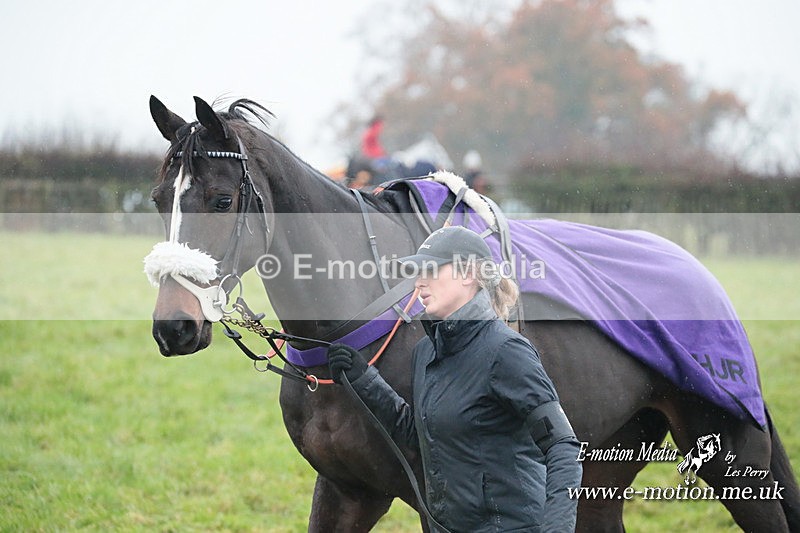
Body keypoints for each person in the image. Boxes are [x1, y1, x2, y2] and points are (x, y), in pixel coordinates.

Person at [327, 226, 582, 532]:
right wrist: (365, 380)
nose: (420, 281)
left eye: (431, 269)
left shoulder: (506, 352)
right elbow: (422, 436)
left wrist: (557, 529)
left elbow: (563, 447)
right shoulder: (426, 352)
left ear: (468, 274)